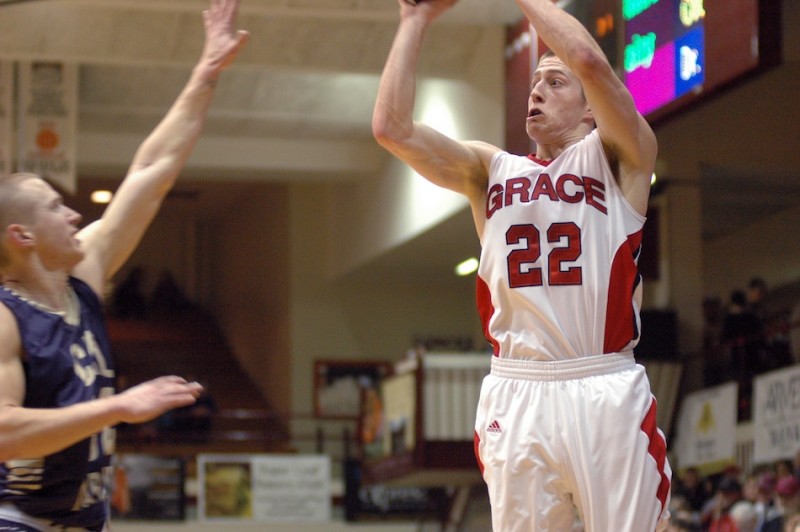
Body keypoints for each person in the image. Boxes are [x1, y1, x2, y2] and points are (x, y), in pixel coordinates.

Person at [373, 0, 670, 529]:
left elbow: (585, 55)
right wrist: (412, 21)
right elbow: (391, 128)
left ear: (590, 108)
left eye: (555, 83)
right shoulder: (489, 169)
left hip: (601, 380)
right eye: (535, 82)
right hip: (517, 389)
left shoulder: (621, 154)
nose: (536, 91)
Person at [0, 1, 248, 530]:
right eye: (52, 207)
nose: (73, 214)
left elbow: (152, 171)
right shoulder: (4, 317)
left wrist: (204, 75)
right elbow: (3, 432)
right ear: (20, 236)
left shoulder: (82, 275)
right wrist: (118, 408)